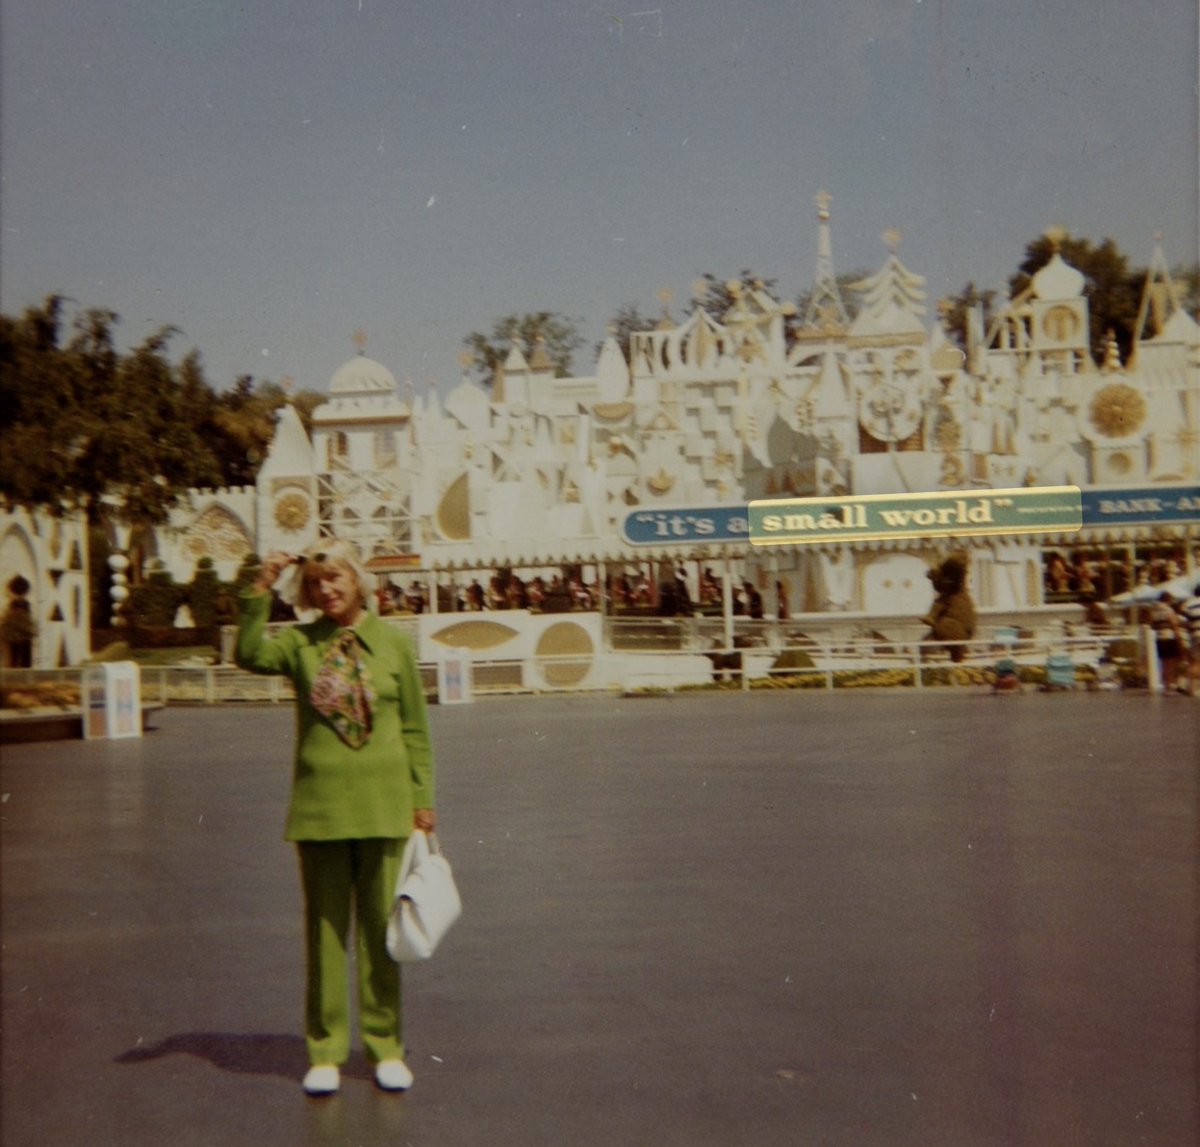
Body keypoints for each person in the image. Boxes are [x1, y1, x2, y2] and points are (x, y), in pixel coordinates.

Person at [236, 538, 436, 1097]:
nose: (327, 589)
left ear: (358, 580)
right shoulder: (299, 645)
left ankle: (385, 1048)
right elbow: (248, 653)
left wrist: (423, 801)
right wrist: (261, 586)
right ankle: (324, 1051)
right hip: (321, 811)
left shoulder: (394, 646)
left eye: (336, 578)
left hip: (385, 809)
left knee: (380, 935)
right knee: (324, 936)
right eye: (316, 583)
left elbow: (417, 730)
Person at [1150, 591, 1186, 693]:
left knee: (1164, 663)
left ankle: (1166, 685)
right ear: (1168, 600)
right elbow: (1174, 625)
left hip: (1159, 638)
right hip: (1169, 637)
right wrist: (1179, 638)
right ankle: (1171, 684)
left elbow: (1152, 626)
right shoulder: (1168, 610)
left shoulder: (1155, 612)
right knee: (1172, 662)